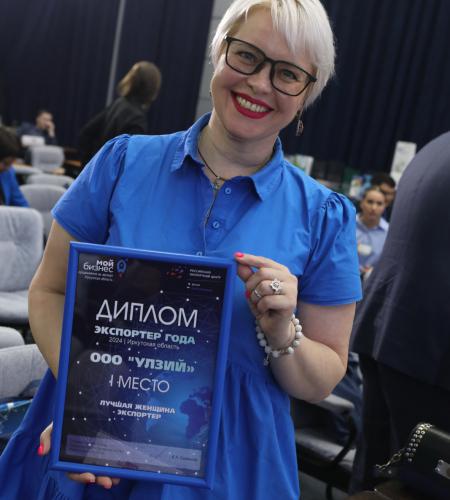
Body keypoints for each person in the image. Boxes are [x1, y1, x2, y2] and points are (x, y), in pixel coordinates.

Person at [0, 1, 361, 498]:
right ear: (219, 51)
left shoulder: (323, 216)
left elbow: (322, 377)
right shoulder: (121, 164)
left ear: (306, 95)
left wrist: (283, 333)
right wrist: (90, 402)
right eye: (248, 55)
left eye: (287, 74)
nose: (260, 84)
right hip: (98, 438)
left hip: (233, 464)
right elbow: (49, 292)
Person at [349, 131, 450, 493]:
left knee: (375, 475)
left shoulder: (438, 145)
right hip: (433, 354)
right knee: (420, 486)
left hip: (388, 329)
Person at [78, 61, 161, 166]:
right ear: (152, 88)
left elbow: (85, 134)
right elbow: (130, 160)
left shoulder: (119, 103)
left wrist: (89, 167)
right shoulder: (137, 118)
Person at [356, 186, 389, 280]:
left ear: (385, 206)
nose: (374, 208)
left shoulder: (389, 233)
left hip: (373, 282)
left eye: (379, 204)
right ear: (362, 203)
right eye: (370, 202)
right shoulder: (347, 225)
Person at [0, 127, 29, 207]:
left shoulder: (8, 172)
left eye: (11, 163)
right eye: (5, 163)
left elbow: (20, 202)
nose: (8, 168)